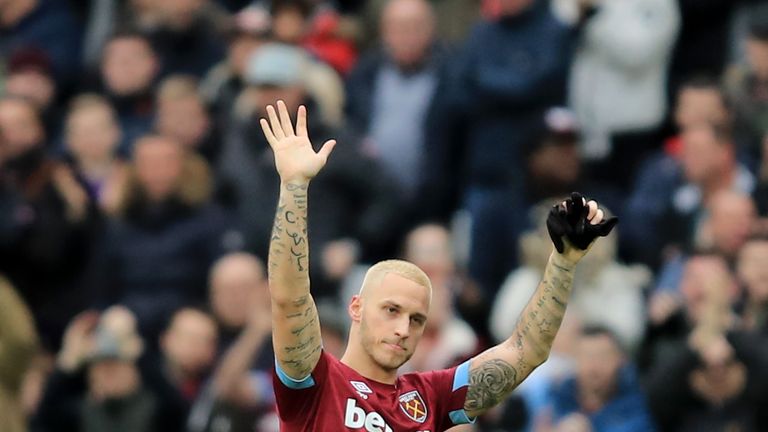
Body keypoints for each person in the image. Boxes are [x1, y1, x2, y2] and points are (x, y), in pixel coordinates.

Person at [258, 101, 617, 431]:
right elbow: (290, 299)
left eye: (416, 319)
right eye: (392, 310)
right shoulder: (317, 381)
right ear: (356, 307)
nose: (403, 329)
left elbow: (526, 352)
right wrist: (294, 186)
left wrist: (563, 263)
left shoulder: (430, 397)